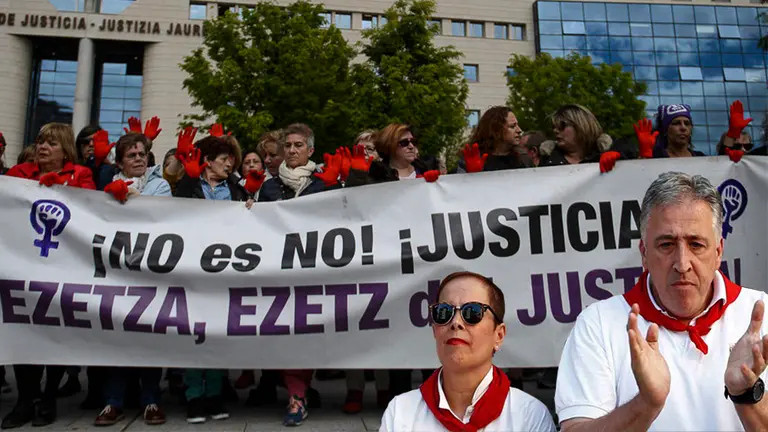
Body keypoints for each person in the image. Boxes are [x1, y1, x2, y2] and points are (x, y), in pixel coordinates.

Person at [556, 171, 768, 431]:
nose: (682, 264)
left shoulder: (761, 314)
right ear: (644, 253)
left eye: (696, 244)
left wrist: (747, 394)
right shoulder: (598, 323)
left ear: (718, 251)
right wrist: (646, 404)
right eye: (666, 244)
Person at [3, 123, 95, 429]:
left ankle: (49, 397)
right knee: (22, 330)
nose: (43, 147)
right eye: (41, 142)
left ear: (65, 149)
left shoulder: (79, 175)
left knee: (55, 331)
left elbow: (93, 210)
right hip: (21, 264)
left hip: (62, 266)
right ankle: (25, 399)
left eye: (51, 143)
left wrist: (63, 190)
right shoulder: (18, 174)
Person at [380, 271, 556, 431]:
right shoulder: (401, 413)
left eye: (472, 312)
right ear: (435, 330)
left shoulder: (529, 417)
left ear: (499, 335)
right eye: (444, 312)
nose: (456, 322)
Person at [258, 123, 340, 426]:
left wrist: (335, 189)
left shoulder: (324, 181)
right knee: (290, 335)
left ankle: (301, 390)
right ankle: (297, 395)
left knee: (310, 335)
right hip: (281, 274)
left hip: (316, 272)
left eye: (298, 145)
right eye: (287, 146)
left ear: (310, 150)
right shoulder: (268, 187)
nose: (291, 150)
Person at [539, 104, 617, 171]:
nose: (555, 130)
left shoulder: (607, 152)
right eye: (553, 127)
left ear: (581, 126)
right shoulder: (547, 160)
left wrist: (616, 154)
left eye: (562, 126)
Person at [459, 106, 527, 173]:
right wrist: (472, 176)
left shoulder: (522, 158)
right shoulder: (475, 158)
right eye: (512, 126)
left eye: (517, 125)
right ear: (496, 130)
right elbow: (458, 182)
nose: (519, 130)